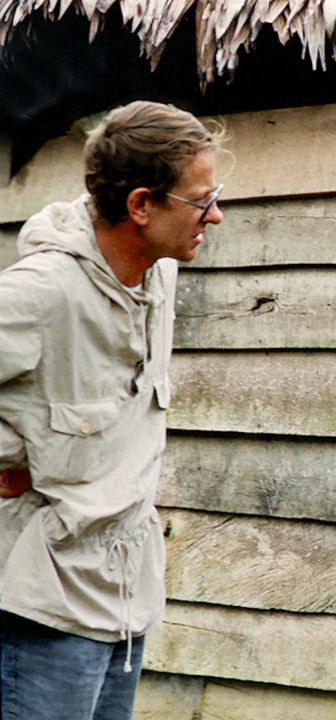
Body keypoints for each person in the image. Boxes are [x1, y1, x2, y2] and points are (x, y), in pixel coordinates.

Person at [0, 100, 225, 720]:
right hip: (47, 607)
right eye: (200, 200)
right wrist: (12, 460)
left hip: (127, 601)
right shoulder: (40, 293)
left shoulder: (158, 273)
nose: (217, 213)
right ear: (140, 206)